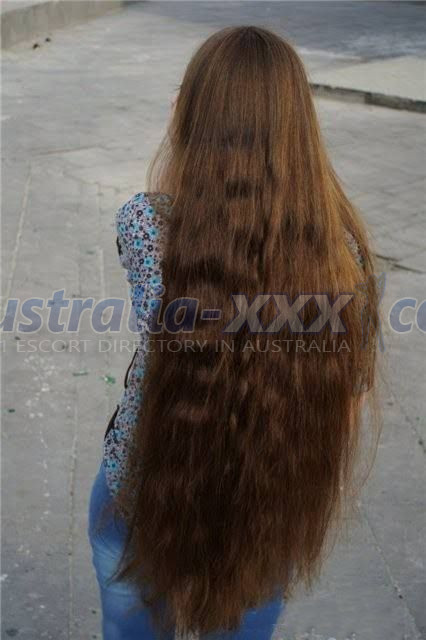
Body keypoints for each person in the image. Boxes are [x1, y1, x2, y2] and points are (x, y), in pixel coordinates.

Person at [88, 25, 380, 640]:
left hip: (145, 485)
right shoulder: (346, 255)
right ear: (299, 127)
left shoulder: (143, 225)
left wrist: (183, 136)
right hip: (269, 499)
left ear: (192, 114)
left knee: (129, 624)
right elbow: (349, 399)